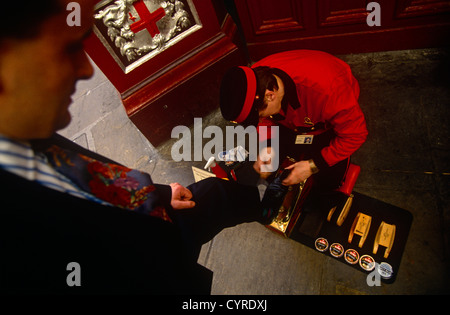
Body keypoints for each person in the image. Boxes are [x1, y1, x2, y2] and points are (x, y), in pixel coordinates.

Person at [0, 0, 263, 294]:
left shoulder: (19, 129)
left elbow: (81, 168)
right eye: (68, 50)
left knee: (217, 193)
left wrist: (160, 196)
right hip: (149, 266)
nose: (87, 71)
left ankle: (266, 208)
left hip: (151, 213)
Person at [220, 50, 368, 192]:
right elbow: (264, 121)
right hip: (288, 121)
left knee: (328, 181)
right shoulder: (254, 81)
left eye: (258, 115)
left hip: (324, 124)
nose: (259, 120)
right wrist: (268, 145)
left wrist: (312, 165)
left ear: (270, 95)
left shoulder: (329, 92)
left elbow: (355, 135)